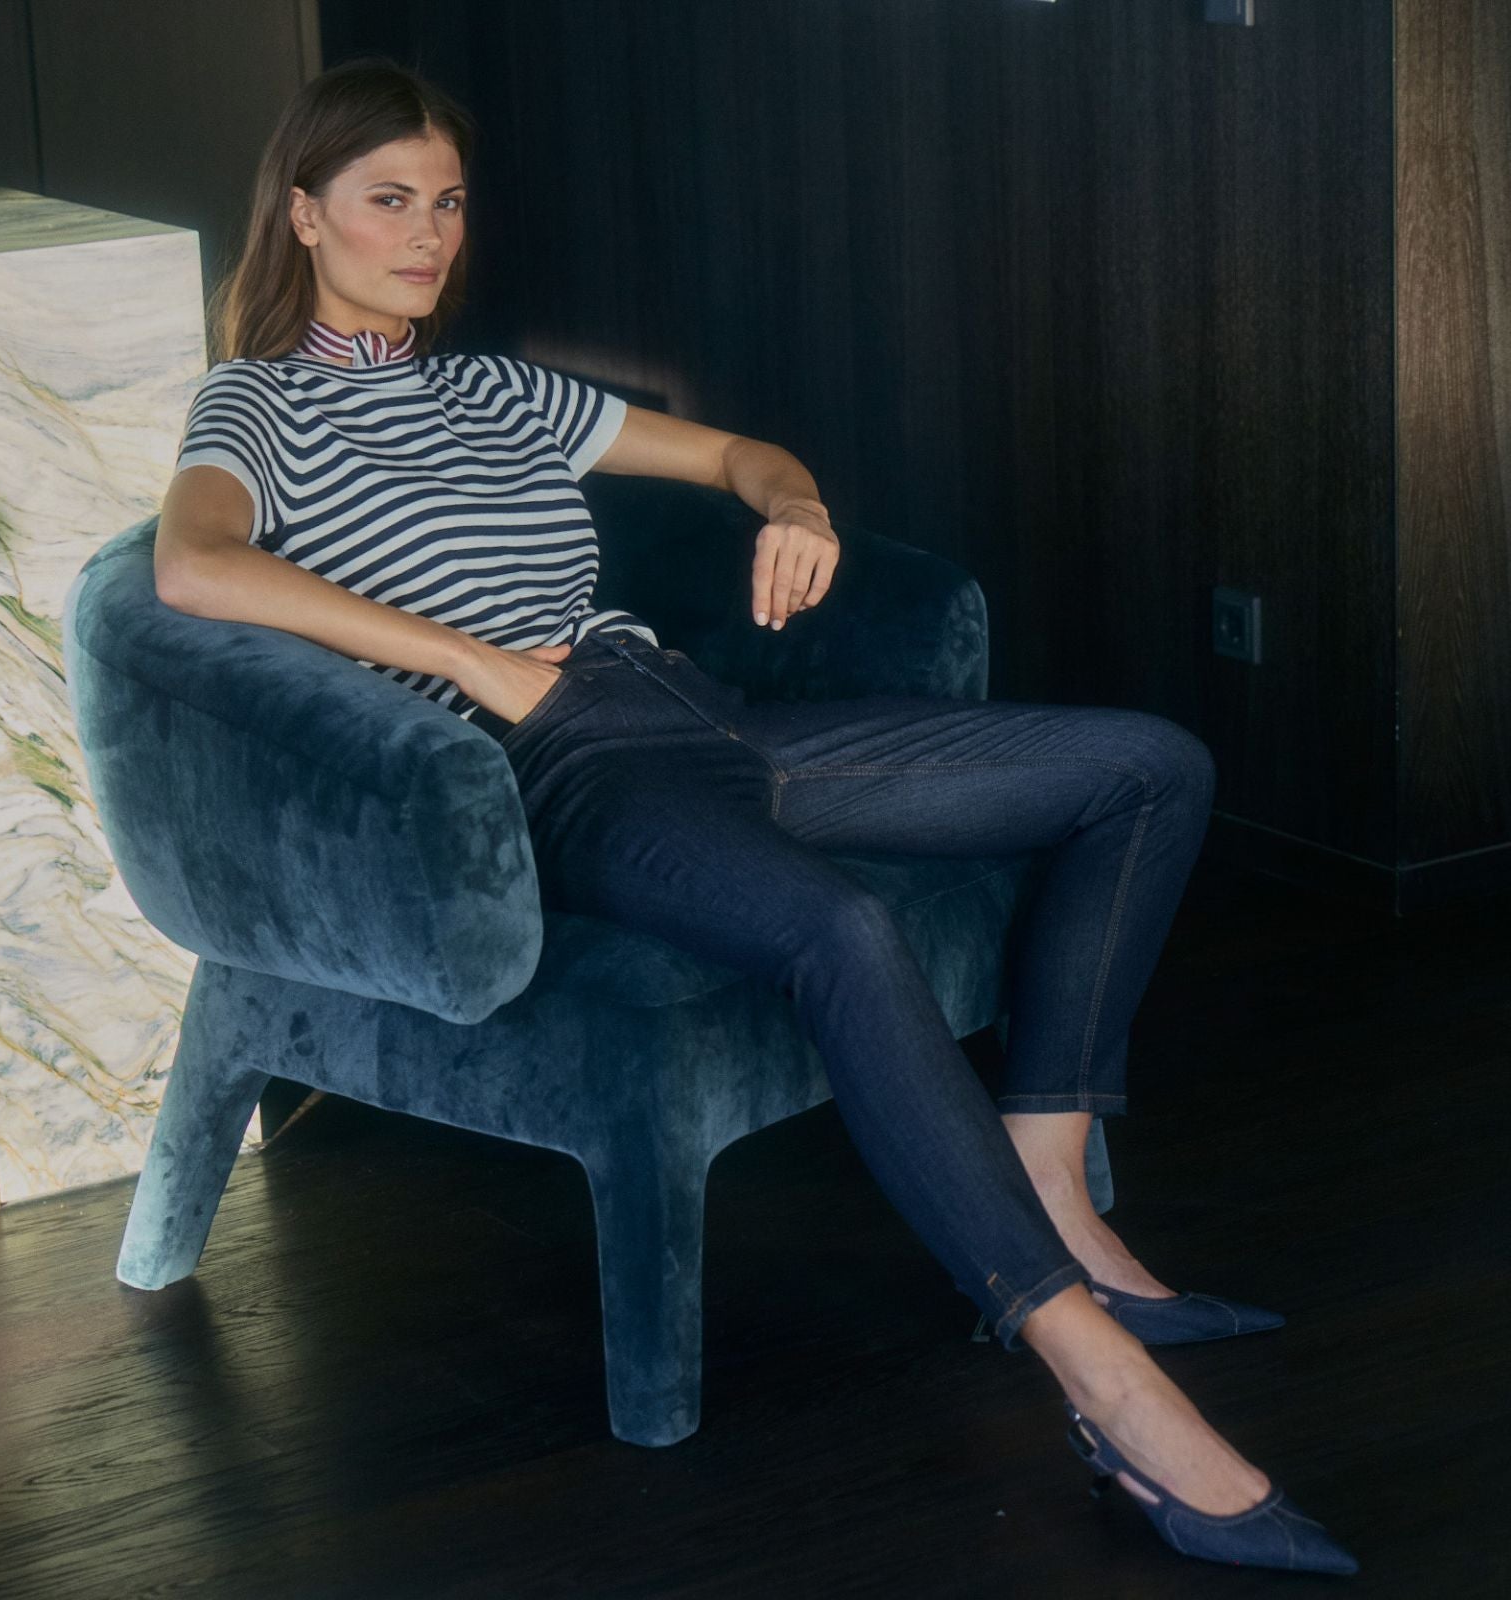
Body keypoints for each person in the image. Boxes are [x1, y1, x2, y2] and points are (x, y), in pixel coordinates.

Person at [154, 57, 1357, 1577]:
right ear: (306, 213)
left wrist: (796, 507)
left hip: (702, 714)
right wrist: (469, 662)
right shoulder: (255, 407)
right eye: (390, 200)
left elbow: (737, 452)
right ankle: (1109, 1387)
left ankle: (1054, 1187)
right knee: (841, 930)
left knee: (1148, 767)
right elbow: (191, 571)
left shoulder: (494, 386)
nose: (428, 232)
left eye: (447, 201)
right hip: (564, 768)